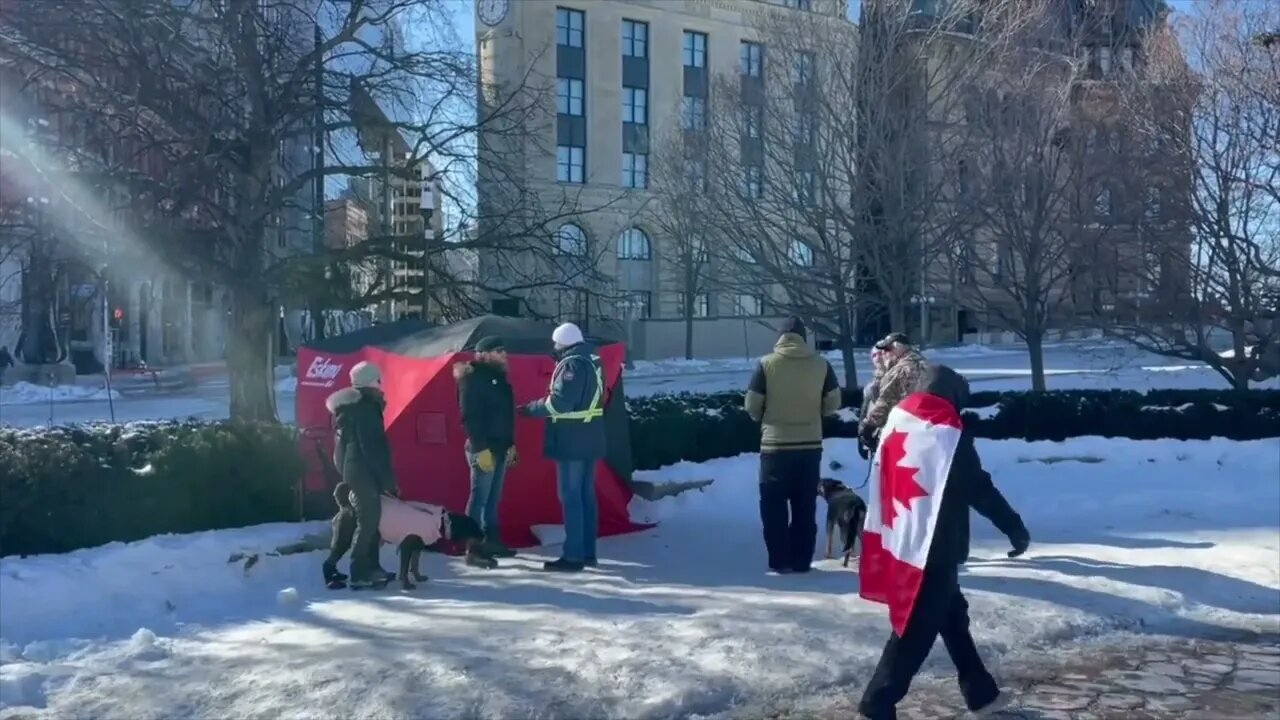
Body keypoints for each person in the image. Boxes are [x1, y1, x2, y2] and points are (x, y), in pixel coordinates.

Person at [857, 363, 1031, 720]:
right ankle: (876, 704)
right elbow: (978, 488)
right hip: (934, 548)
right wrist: (1014, 527)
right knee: (914, 631)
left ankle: (981, 692)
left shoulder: (896, 422)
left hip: (902, 536)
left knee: (952, 617)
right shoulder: (947, 433)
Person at [744, 317, 842, 574]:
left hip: (775, 447)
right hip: (809, 447)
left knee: (773, 506)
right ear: (803, 338)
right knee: (804, 506)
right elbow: (833, 401)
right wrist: (815, 412)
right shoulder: (821, 364)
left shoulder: (766, 365)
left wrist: (765, 417)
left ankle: (779, 560)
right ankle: (801, 560)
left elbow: (752, 405)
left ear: (779, 338)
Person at [519, 322, 607, 573]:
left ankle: (573, 556)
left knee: (570, 497)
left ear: (563, 344)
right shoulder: (593, 359)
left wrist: (530, 409)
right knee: (586, 496)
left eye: (556, 345)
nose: (554, 350)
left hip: (571, 439)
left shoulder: (572, 364)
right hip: (592, 436)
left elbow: (560, 404)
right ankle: (588, 552)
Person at [324, 360, 398, 588]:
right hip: (364, 471)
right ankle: (360, 571)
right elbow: (372, 447)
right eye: (379, 381)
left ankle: (371, 567)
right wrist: (388, 480)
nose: (381, 386)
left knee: (369, 521)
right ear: (372, 382)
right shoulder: (367, 408)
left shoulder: (350, 409)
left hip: (354, 470)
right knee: (368, 522)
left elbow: (341, 448)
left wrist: (346, 473)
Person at [454, 335, 518, 569]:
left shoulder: (499, 378)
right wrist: (480, 449)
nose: (504, 354)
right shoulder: (472, 379)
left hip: (500, 447)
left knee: (493, 498)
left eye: (504, 350)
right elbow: (469, 417)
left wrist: (510, 443)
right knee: (479, 498)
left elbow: (505, 415)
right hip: (483, 448)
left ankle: (492, 541)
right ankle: (473, 548)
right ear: (483, 354)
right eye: (498, 350)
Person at [858, 333, 930, 452]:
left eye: (887, 349)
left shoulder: (899, 370)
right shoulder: (926, 365)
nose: (884, 354)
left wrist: (867, 428)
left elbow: (885, 402)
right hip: (927, 431)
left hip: (904, 433)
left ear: (898, 348)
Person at [857, 345, 892, 460]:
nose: (877, 357)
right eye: (874, 355)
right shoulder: (870, 387)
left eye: (881, 353)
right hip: (875, 440)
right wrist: (861, 437)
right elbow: (864, 412)